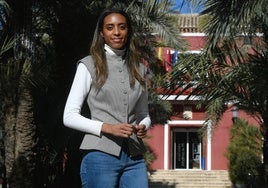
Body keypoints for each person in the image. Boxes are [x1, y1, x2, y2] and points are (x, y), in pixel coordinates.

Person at [63, 8, 151, 188]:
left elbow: (144, 113)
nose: (117, 32)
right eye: (110, 27)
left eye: (122, 27)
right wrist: (108, 128)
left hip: (134, 158)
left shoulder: (140, 69)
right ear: (102, 33)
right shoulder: (89, 65)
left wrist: (143, 126)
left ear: (128, 31)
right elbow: (69, 116)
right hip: (99, 155)